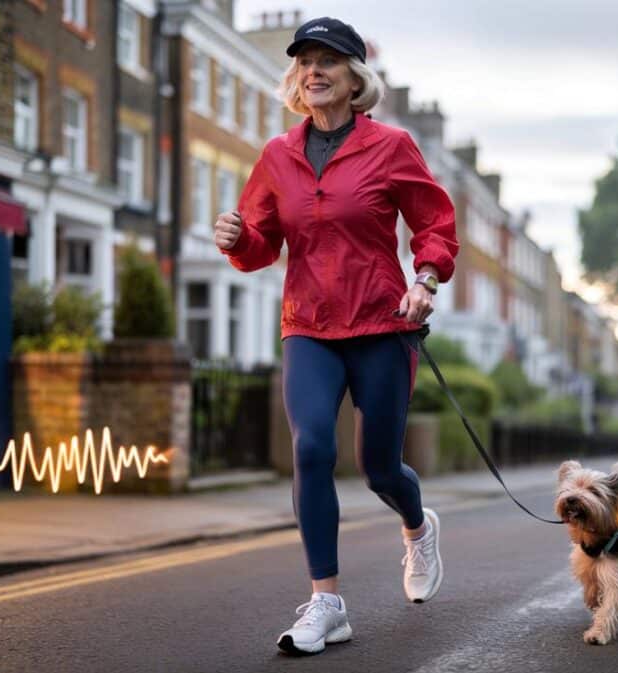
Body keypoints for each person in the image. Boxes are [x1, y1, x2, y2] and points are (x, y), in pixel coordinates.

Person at [212, 16, 459, 656]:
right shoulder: (277, 155)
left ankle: (416, 524)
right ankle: (327, 601)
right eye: (304, 62)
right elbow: (262, 242)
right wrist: (239, 240)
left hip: (381, 324)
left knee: (380, 468)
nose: (314, 71)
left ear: (355, 78)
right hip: (310, 328)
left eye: (329, 60)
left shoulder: (392, 147)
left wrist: (426, 278)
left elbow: (433, 221)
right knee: (313, 448)